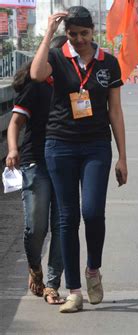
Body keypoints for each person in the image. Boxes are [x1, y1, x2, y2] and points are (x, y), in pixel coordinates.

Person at [30, 6, 128, 313]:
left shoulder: (108, 63)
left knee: (93, 212)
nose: (79, 39)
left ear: (93, 31)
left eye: (84, 33)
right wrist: (49, 32)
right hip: (59, 145)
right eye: (73, 34)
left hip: (96, 145)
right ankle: (73, 290)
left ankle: (93, 270)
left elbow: (115, 110)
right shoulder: (58, 57)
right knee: (67, 218)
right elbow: (35, 74)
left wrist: (123, 157)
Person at [6, 35, 68, 305]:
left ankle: (53, 284)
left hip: (66, 162)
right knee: (36, 227)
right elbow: (15, 123)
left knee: (62, 226)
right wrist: (12, 149)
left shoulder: (74, 86)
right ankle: (34, 267)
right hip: (36, 162)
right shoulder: (36, 86)